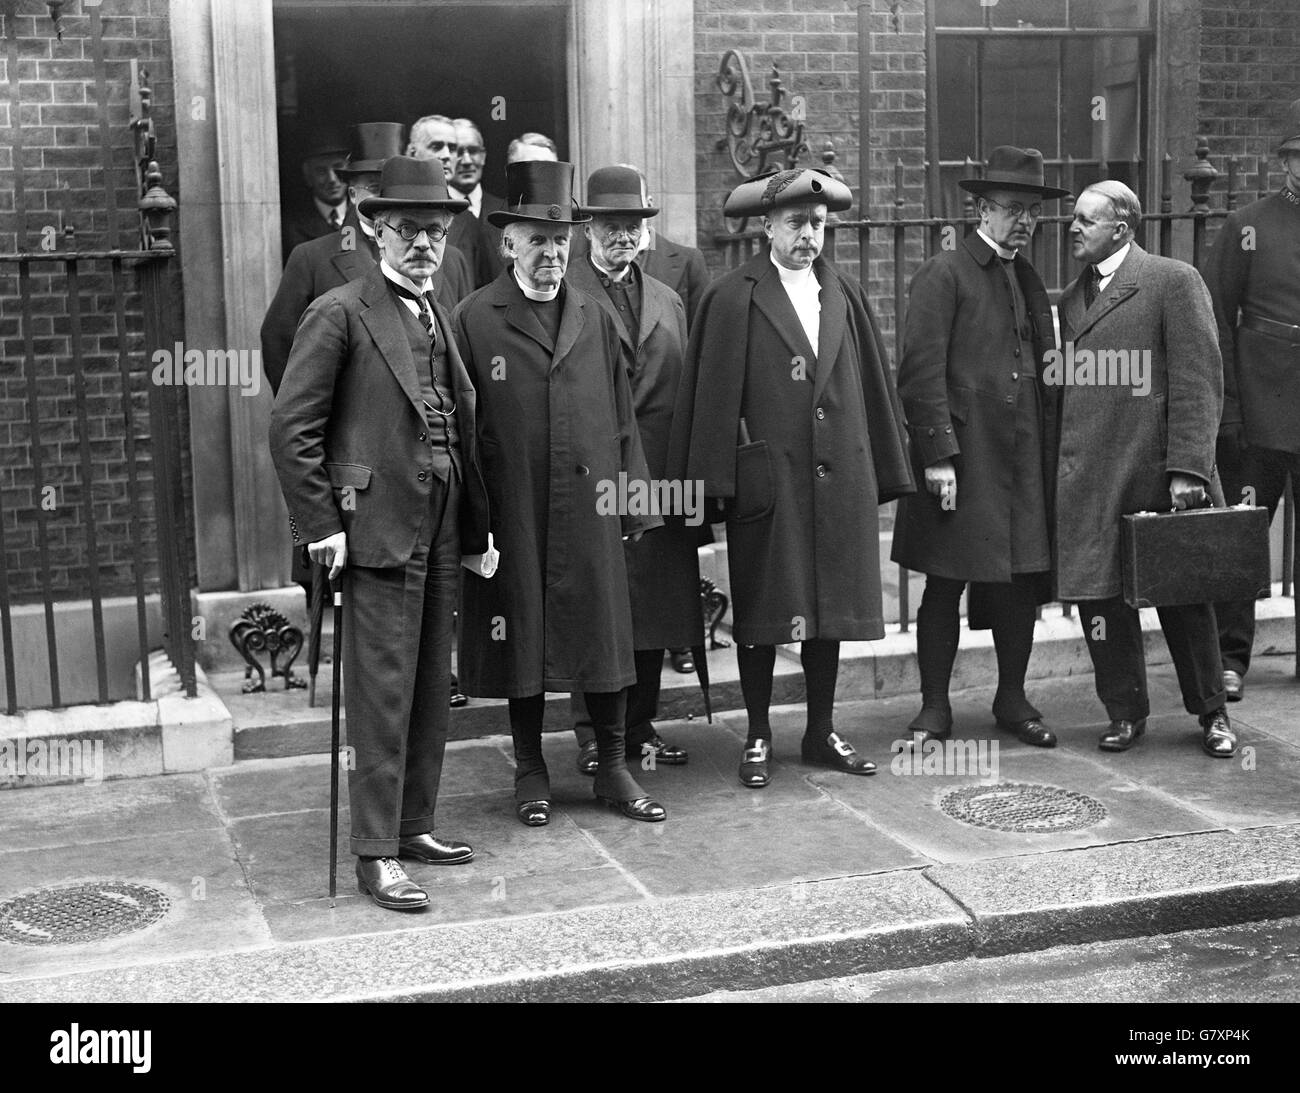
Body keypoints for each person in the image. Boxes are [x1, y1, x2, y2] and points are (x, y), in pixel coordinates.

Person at [270, 156, 489, 911]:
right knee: (380, 693)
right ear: (374, 227)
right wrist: (321, 525)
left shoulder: (438, 311)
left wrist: (476, 525)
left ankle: (414, 824)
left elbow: (459, 421)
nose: (424, 244)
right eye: (408, 230)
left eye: (435, 230)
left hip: (440, 522)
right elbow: (292, 428)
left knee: (431, 680)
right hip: (374, 527)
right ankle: (373, 851)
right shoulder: (339, 310)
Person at [669, 167, 914, 788]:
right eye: (797, 223)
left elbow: (871, 390)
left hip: (835, 481)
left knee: (826, 609)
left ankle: (820, 729)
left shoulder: (844, 294)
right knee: (764, 607)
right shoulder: (732, 296)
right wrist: (713, 482)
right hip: (769, 481)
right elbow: (711, 397)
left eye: (819, 224)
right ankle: (757, 732)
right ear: (768, 226)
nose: (809, 236)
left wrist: (881, 468)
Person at [450, 159, 667, 826]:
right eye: (536, 239)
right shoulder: (475, 318)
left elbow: (622, 415)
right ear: (508, 242)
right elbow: (462, 427)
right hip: (515, 508)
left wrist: (633, 499)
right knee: (522, 638)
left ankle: (614, 765)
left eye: (560, 239)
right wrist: (473, 521)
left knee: (601, 634)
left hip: (590, 505)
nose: (550, 252)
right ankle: (530, 769)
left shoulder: (594, 315)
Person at [891, 146, 1067, 748]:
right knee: (945, 581)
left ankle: (1011, 697)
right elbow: (919, 372)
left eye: (1033, 212)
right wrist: (938, 456)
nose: (1025, 222)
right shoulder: (944, 273)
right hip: (966, 459)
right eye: (1014, 209)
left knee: (1021, 582)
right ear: (982, 210)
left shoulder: (1028, 277)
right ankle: (934, 707)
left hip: (1023, 458)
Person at [1056, 180, 1234, 758]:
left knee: (1185, 597)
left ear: (1122, 229)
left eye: (1087, 220)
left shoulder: (1171, 281)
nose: (1073, 228)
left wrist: (1189, 469)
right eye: (1074, 219)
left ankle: (1212, 713)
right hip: (1093, 475)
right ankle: (1125, 711)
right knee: (1101, 600)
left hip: (1156, 470)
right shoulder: (1070, 298)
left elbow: (1198, 380)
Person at [564, 165, 701, 776]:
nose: (624, 236)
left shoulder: (669, 299)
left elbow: (688, 387)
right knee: (599, 607)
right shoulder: (563, 293)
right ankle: (595, 734)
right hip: (595, 475)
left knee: (655, 608)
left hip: (662, 477)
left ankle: (642, 727)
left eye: (634, 225)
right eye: (611, 225)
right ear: (588, 227)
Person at [261, 122, 473, 395]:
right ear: (352, 194)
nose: (388, 199)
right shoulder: (312, 258)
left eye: (394, 188)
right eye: (375, 188)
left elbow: (464, 346)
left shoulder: (451, 259)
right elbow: (278, 343)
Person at [1205, 98, 1300, 701]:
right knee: (1241, 537)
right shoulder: (1249, 224)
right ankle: (1228, 658)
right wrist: (1230, 409)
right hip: (1259, 407)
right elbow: (1213, 316)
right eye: (1295, 157)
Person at [408, 113, 496, 287]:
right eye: (437, 146)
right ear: (412, 152)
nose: (447, 155)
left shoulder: (469, 222)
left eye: (452, 148)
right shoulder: (391, 210)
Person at [281, 129, 351, 259]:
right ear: (308, 177)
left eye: (338, 167)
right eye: (321, 171)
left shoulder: (365, 217)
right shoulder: (292, 228)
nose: (332, 179)